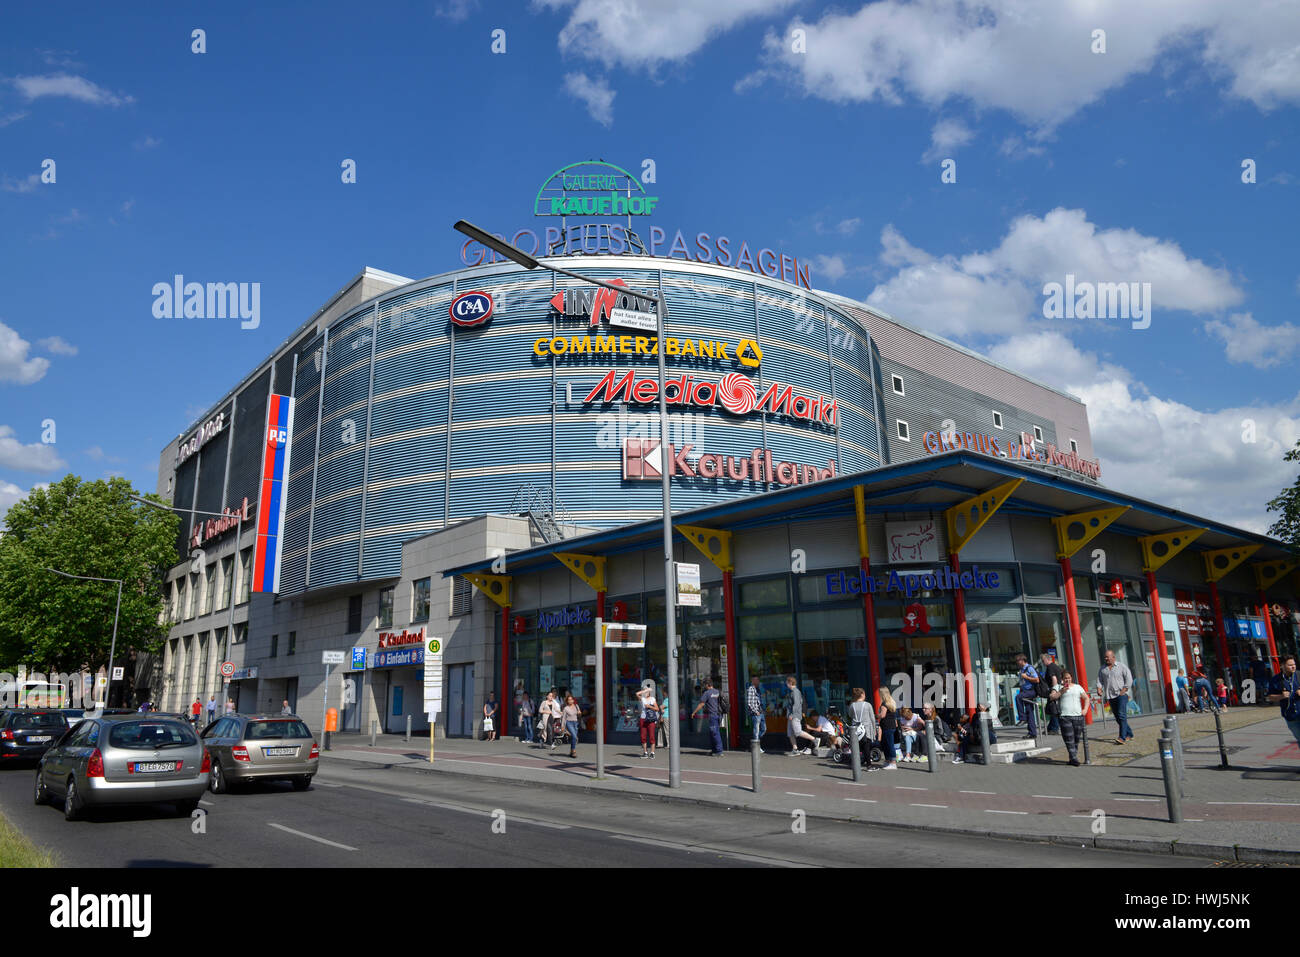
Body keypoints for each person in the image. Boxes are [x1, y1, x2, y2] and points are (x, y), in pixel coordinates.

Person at [1050, 671, 1091, 766]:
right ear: (1062, 679)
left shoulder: (1077, 687)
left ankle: (1072, 758)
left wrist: (1085, 709)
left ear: (1071, 678)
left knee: (1076, 739)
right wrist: (1061, 691)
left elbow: (1086, 698)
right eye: (1065, 678)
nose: (1067, 680)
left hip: (1078, 716)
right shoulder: (1058, 687)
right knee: (1069, 738)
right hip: (1065, 716)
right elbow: (1052, 697)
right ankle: (1074, 758)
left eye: (1069, 678)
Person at [1097, 650, 1134, 744]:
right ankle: (1129, 734)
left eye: (1107, 657)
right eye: (1105, 657)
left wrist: (1125, 689)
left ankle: (1122, 737)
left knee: (1122, 715)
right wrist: (1099, 688)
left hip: (1121, 695)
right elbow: (1099, 680)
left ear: (1113, 657)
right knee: (1118, 717)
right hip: (1110, 696)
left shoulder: (1121, 666)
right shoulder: (1102, 669)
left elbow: (1129, 678)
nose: (1106, 659)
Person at [1265, 655, 1300, 748]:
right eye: (1290, 665)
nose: (1293, 666)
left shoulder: (1299, 676)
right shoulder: (1276, 680)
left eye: (1294, 664)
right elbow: (1270, 697)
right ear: (1282, 666)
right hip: (1290, 715)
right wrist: (1281, 696)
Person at [784, 675, 817, 755]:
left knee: (798, 732)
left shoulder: (796, 692)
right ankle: (795, 750)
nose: (786, 685)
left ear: (791, 683)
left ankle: (814, 739)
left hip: (794, 716)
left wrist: (792, 714)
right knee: (790, 733)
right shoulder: (793, 692)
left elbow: (797, 705)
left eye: (787, 683)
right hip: (791, 716)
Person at [691, 678, 724, 756]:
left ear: (707, 685)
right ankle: (714, 750)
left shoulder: (707, 693)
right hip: (719, 715)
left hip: (713, 715)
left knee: (715, 733)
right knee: (714, 732)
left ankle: (719, 751)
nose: (704, 686)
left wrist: (694, 712)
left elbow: (701, 704)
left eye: (705, 685)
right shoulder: (717, 691)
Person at [848, 688, 877, 768]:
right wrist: (874, 730)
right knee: (866, 746)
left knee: (857, 747)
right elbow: (872, 718)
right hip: (866, 728)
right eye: (864, 694)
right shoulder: (867, 705)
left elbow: (850, 715)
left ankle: (856, 763)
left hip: (855, 729)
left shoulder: (852, 705)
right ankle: (869, 765)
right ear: (862, 695)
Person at [1015, 654, 1040, 739]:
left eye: (1018, 661)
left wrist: (1026, 677)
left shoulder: (1029, 668)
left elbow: (1037, 680)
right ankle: (1032, 733)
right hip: (1025, 691)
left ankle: (1022, 718)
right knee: (1029, 711)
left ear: (1022, 660)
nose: (1017, 662)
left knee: (1018, 697)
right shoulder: (1022, 669)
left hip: (1031, 691)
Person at [1040, 650, 1064, 733]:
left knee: (1053, 709)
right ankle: (1050, 727)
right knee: (1051, 709)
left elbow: (1054, 678)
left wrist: (1054, 690)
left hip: (1054, 690)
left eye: (1043, 661)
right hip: (1058, 689)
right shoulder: (1055, 666)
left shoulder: (1050, 667)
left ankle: (1054, 728)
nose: (1043, 663)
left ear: (1047, 659)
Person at [876, 687, 899, 770]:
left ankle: (892, 762)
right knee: (887, 744)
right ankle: (888, 761)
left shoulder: (884, 704)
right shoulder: (891, 702)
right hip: (891, 726)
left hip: (887, 726)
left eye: (879, 693)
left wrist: (875, 715)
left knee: (889, 744)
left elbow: (882, 715)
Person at [635, 684, 660, 759]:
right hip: (643, 719)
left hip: (651, 719)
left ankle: (652, 753)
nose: (645, 693)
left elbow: (657, 709)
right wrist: (646, 690)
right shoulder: (642, 699)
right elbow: (637, 693)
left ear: (649, 693)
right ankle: (645, 752)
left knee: (652, 736)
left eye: (647, 692)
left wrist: (649, 706)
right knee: (643, 736)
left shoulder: (652, 699)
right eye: (644, 692)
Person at [746, 675, 766, 752]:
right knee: (756, 731)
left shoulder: (758, 688)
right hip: (756, 713)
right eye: (757, 680)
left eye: (758, 680)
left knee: (764, 729)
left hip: (761, 712)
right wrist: (755, 711)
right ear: (753, 681)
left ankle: (754, 742)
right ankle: (756, 747)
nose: (758, 681)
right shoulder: (751, 689)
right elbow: (749, 703)